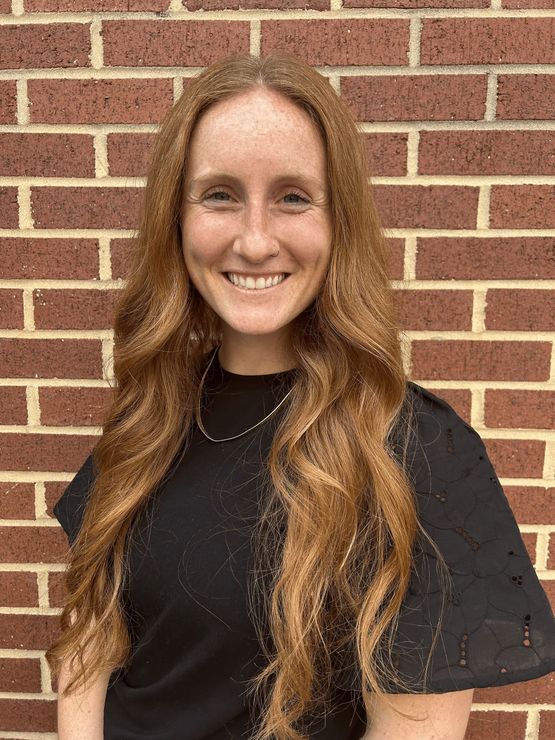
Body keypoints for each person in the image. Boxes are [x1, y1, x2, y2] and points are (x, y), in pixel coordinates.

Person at [47, 52, 555, 740]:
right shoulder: (151, 414)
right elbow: (90, 638)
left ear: (336, 220)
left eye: (292, 196)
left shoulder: (416, 449)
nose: (254, 241)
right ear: (177, 217)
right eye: (219, 194)